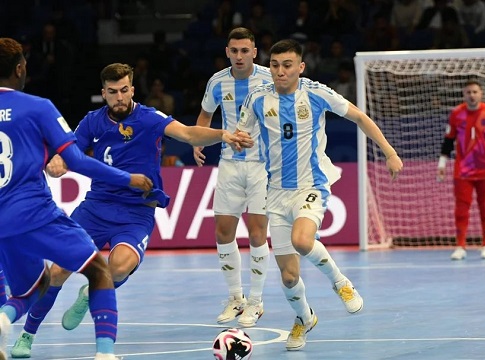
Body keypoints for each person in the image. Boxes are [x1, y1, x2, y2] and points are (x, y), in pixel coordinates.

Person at [10, 62, 253, 358]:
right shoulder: (91, 121)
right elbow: (68, 153)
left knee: (119, 267)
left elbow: (189, 133)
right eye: (112, 92)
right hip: (95, 208)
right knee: (58, 270)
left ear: (133, 89)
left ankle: (90, 294)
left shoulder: (149, 118)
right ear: (104, 93)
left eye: (124, 90)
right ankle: (26, 337)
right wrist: (58, 163)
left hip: (136, 212)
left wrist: (222, 135)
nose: (119, 97)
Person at [235, 39, 403, 351]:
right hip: (275, 193)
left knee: (303, 240)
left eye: (287, 65)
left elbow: (360, 118)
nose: (280, 71)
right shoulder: (257, 98)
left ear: (300, 67)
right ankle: (304, 318)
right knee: (288, 277)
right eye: (274, 65)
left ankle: (341, 283)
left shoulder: (315, 93)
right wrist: (238, 141)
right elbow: (241, 134)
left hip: (310, 186)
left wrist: (389, 153)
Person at [0, 37, 154, 360]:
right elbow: (80, 161)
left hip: (3, 224)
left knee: (32, 287)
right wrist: (129, 179)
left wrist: (56, 160)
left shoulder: (147, 118)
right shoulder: (38, 107)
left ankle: (5, 320)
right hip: (35, 215)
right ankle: (105, 354)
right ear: (19, 68)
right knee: (98, 270)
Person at [192, 27, 272, 328]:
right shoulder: (217, 81)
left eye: (245, 50)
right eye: (234, 50)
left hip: (262, 167)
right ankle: (236, 298)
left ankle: (256, 301)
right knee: (223, 231)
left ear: (254, 52)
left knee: (257, 234)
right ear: (227, 52)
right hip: (229, 164)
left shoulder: (268, 79)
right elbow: (204, 115)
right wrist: (198, 142)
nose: (239, 56)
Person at [436, 79, 485, 261]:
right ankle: (460, 246)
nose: (472, 95)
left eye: (475, 92)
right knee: (461, 209)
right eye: (468, 92)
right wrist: (441, 165)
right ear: (464, 95)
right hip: (462, 170)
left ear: (481, 93)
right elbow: (448, 141)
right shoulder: (456, 114)